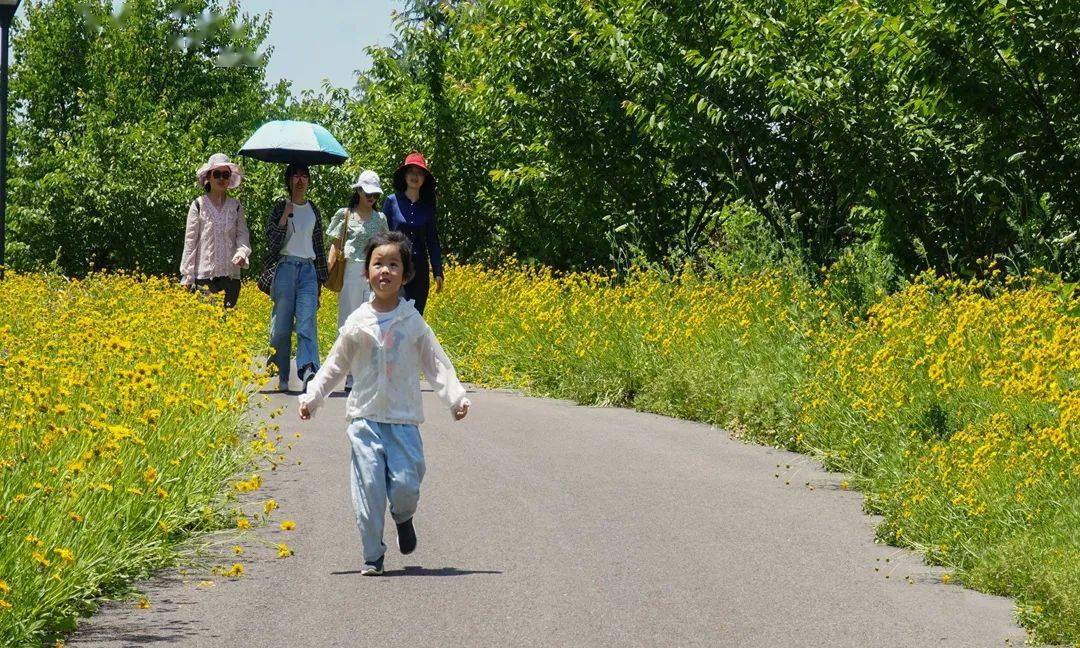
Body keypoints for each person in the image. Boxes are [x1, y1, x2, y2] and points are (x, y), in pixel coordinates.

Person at [297, 230, 470, 576]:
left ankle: (403, 515)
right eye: (378, 264)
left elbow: (435, 362)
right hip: (364, 418)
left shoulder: (412, 321)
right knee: (369, 489)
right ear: (367, 273)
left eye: (394, 264)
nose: (385, 271)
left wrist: (455, 398)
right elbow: (334, 364)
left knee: (407, 485)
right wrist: (312, 397)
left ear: (405, 275)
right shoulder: (357, 322)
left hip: (403, 419)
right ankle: (372, 553)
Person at [265, 163, 328, 393]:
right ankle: (282, 371)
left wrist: (321, 280)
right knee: (280, 328)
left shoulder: (314, 209)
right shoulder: (280, 207)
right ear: (289, 180)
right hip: (285, 268)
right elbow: (272, 244)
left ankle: (309, 370)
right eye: (296, 176)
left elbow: (319, 246)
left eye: (304, 175)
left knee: (306, 322)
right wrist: (284, 216)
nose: (300, 180)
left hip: (308, 271)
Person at [325, 170, 390, 392]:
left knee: (371, 323)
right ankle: (348, 374)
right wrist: (326, 272)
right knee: (349, 322)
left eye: (375, 194)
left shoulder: (380, 219)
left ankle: (366, 375)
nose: (371, 198)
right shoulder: (345, 215)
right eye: (368, 192)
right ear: (359, 190)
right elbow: (334, 245)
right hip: (351, 272)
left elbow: (385, 249)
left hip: (371, 273)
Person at [180, 153, 251, 308]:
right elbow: (190, 243)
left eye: (225, 175)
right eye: (217, 174)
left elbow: (243, 236)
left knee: (229, 328)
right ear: (208, 177)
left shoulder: (236, 206)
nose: (221, 178)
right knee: (207, 327)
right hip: (204, 279)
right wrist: (187, 277)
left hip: (231, 278)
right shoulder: (198, 205)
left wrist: (241, 253)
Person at [382, 151, 445, 315]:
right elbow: (381, 235)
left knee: (415, 316)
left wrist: (438, 270)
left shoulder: (428, 207)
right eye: (411, 171)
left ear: (424, 179)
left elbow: (432, 240)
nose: (415, 176)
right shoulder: (391, 201)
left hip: (419, 269)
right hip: (395, 265)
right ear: (404, 175)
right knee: (393, 313)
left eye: (419, 173)